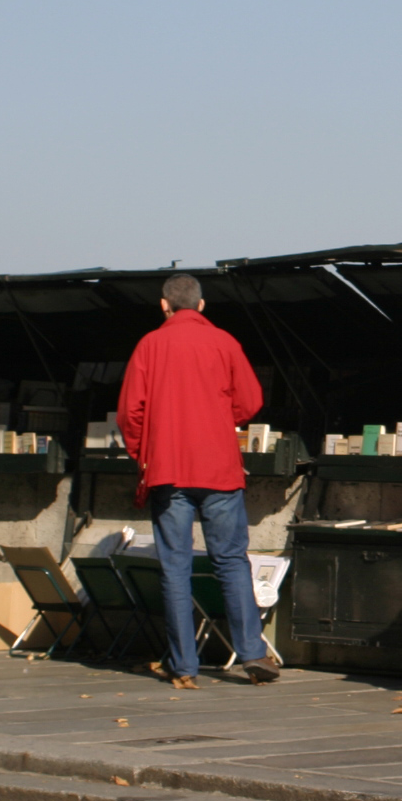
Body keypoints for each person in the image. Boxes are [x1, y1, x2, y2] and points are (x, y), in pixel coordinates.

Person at [119, 273, 278, 688]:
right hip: (219, 469)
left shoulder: (149, 345)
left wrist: (144, 454)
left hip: (168, 471)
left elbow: (129, 413)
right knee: (230, 561)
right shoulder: (224, 342)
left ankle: (184, 665)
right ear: (202, 305)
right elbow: (251, 400)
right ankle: (252, 654)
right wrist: (219, 419)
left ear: (164, 305)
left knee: (175, 568)